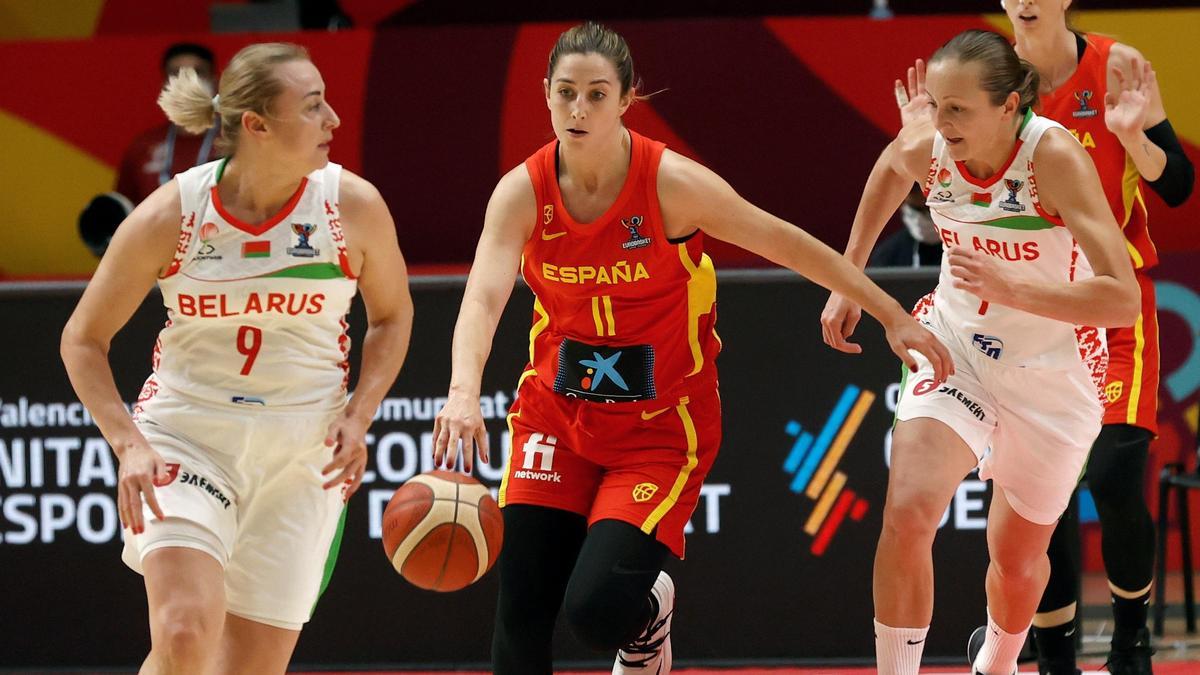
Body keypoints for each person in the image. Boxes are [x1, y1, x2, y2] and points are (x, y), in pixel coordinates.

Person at [431, 21, 952, 675]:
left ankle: (648, 615)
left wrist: (888, 311)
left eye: (596, 94)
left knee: (595, 611)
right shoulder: (522, 193)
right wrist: (460, 391)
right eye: (565, 92)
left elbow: (786, 241)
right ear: (545, 95)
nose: (578, 109)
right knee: (521, 613)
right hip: (554, 419)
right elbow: (481, 298)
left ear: (626, 99)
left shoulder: (670, 185)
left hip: (658, 430)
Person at [60, 43, 413, 674]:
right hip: (188, 435)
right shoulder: (174, 213)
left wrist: (359, 414)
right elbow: (82, 339)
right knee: (184, 630)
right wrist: (130, 446)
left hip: (304, 456)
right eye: (312, 107)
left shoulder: (352, 206)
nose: (333, 119)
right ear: (256, 126)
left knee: (242, 668)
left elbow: (391, 318)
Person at [821, 29, 1140, 675]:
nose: (940, 122)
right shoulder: (930, 145)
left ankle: (994, 663)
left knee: (1017, 557)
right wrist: (847, 277)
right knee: (907, 510)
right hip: (957, 344)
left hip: (1058, 372)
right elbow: (890, 166)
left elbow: (1122, 299)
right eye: (935, 105)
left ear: (1011, 105)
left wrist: (1012, 286)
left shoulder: (1054, 159)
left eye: (958, 108)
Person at [997, 2, 1196, 673]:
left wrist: (1133, 136)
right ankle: (1056, 655)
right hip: (1033, 309)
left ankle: (1130, 640)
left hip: (1114, 301)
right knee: (1040, 496)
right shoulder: (992, 75)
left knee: (1113, 474)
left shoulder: (1119, 65)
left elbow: (1178, 184)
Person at [117, 43, 222, 205]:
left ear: (214, 82)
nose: (187, 81)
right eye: (176, 73)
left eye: (198, 72)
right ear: (164, 85)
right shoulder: (143, 147)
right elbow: (124, 210)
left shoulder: (237, 141)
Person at [868, 185, 943, 268]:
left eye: (928, 209)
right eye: (916, 209)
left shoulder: (958, 245)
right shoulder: (887, 255)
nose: (922, 218)